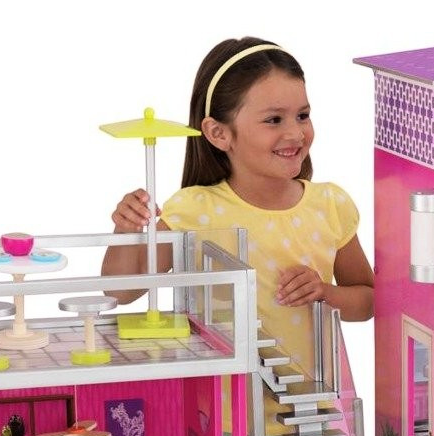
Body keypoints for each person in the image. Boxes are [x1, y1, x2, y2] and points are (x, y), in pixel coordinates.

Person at [102, 37, 373, 377]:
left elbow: (368, 301)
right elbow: (121, 291)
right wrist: (125, 230)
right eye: (274, 119)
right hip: (222, 404)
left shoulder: (330, 204)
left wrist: (325, 293)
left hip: (315, 398)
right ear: (219, 133)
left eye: (302, 115)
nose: (295, 133)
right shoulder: (193, 209)